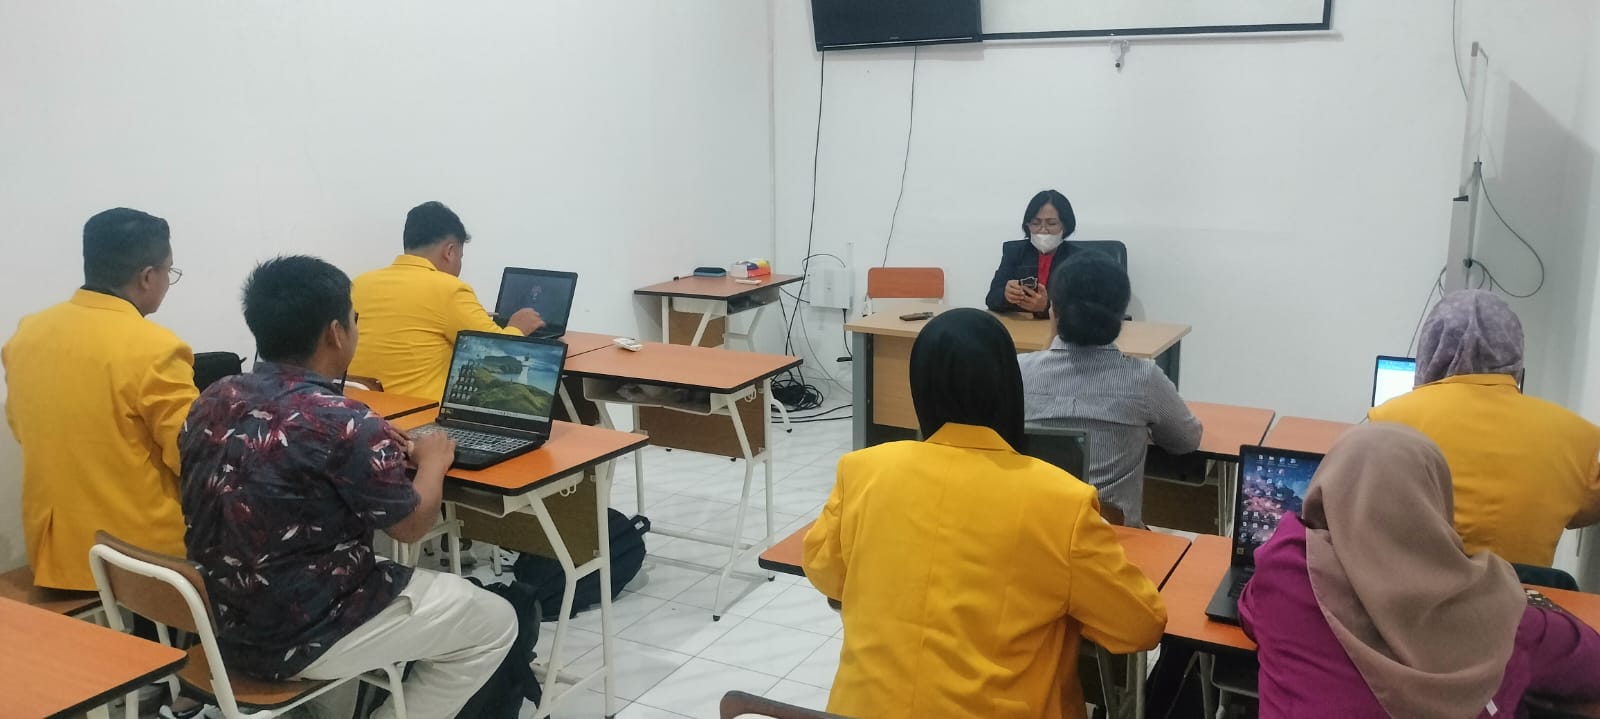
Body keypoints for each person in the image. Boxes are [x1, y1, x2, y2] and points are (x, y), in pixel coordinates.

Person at [180, 256, 514, 718]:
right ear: (336, 332)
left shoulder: (214, 397)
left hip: (219, 620)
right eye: (355, 319)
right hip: (302, 634)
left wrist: (373, 447)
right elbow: (411, 527)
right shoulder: (347, 421)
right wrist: (434, 461)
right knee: (496, 622)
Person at [803, 308, 1166, 719]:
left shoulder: (863, 470)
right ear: (1009, 387)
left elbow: (825, 573)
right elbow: (1141, 626)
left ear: (918, 388)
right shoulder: (1062, 500)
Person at [1240, 423, 1600, 717]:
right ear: (1434, 504)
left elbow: (1249, 612)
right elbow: (1591, 663)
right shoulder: (1500, 622)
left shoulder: (1282, 574)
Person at [4, 208, 196, 590]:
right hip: (142, 569)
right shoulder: (155, 348)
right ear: (147, 276)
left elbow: (21, 427)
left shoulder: (26, 335)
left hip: (56, 556)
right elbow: (192, 454)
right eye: (168, 272)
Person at [1370, 289, 1600, 566]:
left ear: (1432, 346)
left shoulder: (1388, 421)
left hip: (1412, 591)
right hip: (1518, 593)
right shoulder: (1578, 437)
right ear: (1514, 350)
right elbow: (1586, 511)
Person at [1018, 253, 1201, 526]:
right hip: (1115, 539)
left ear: (1053, 308)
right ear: (1122, 315)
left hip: (1039, 532)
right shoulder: (1143, 378)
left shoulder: (1020, 371)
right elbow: (1186, 441)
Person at [349, 201, 543, 399]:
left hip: (354, 408)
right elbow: (496, 351)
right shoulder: (449, 289)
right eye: (461, 256)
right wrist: (517, 328)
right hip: (416, 412)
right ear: (449, 251)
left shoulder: (358, 283)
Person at [986, 189, 1076, 317]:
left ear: (1065, 226)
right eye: (1035, 223)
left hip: (1058, 327)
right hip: (1021, 326)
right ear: (1027, 225)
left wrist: (1046, 307)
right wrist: (1005, 295)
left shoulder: (1076, 259)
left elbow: (1083, 308)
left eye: (1051, 223)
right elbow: (991, 299)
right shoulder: (1014, 251)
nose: (1043, 230)